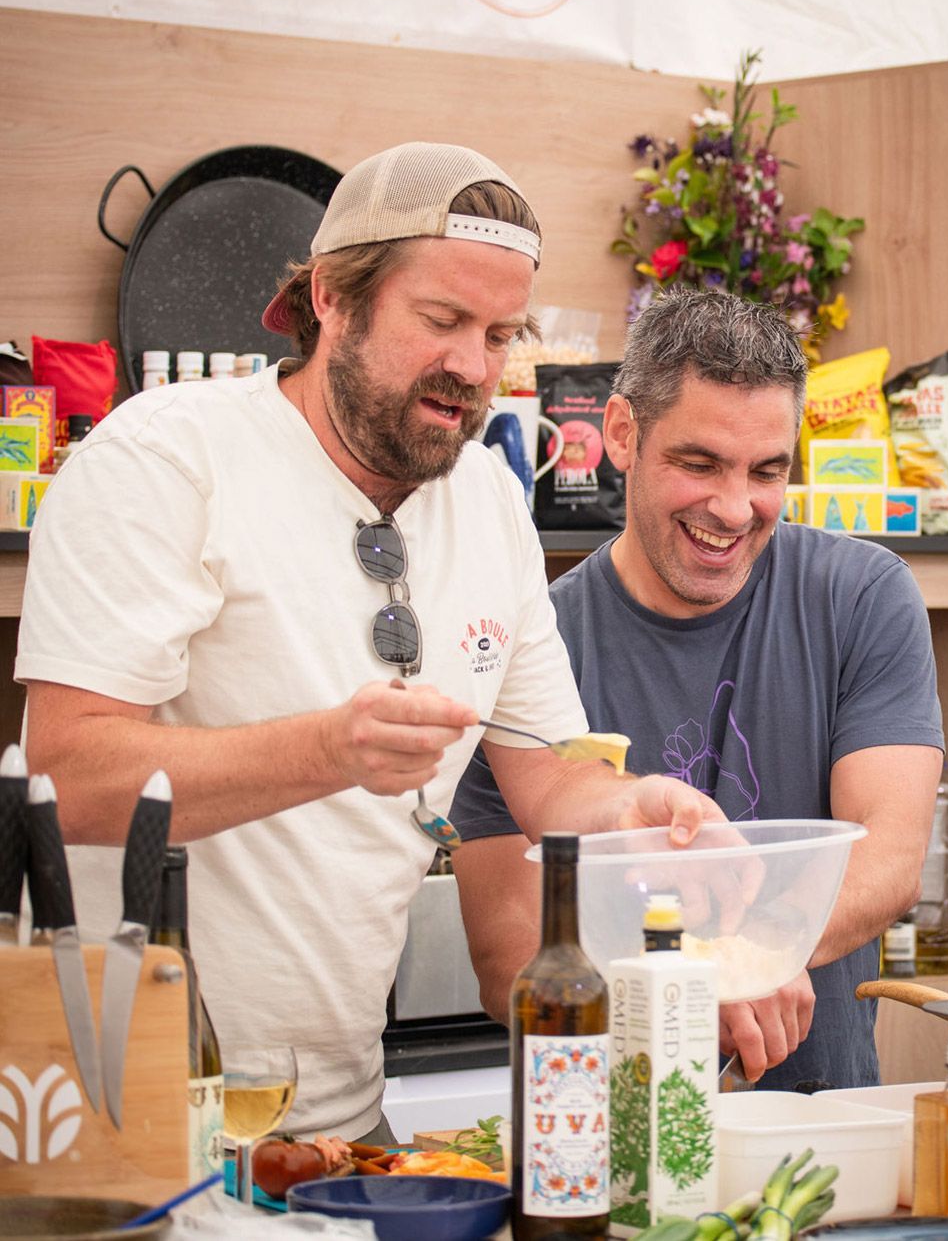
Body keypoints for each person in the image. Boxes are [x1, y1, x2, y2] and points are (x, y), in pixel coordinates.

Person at [14, 142, 722, 1141]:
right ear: (331, 299)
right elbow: (68, 781)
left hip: (340, 1122)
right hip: (118, 1120)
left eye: (499, 334)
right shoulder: (164, 458)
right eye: (441, 320)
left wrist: (625, 807)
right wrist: (325, 750)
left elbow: (550, 774)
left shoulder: (488, 499)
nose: (472, 366)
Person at [451, 288, 944, 1092]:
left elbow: (889, 857)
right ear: (622, 433)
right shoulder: (529, 643)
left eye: (766, 471)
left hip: (819, 1122)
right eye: (699, 464)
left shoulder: (862, 596)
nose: (734, 508)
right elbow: (507, 948)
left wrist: (753, 955)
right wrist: (682, 992)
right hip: (606, 1134)